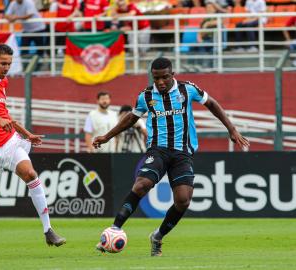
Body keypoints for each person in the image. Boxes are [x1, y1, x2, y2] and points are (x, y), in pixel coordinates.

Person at [93, 57, 250, 256]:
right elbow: (131, 118)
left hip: (182, 153)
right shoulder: (146, 96)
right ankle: (114, 229)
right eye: (156, 78)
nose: (160, 82)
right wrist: (107, 136)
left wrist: (232, 129)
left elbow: (211, 103)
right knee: (141, 184)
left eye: (165, 77)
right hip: (157, 150)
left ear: (172, 75)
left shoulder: (187, 89)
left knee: (183, 200)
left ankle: (157, 236)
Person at [0, 44, 66, 247]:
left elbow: (4, 114)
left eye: (9, 64)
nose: (6, 68)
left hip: (8, 141)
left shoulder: (3, 82)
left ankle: (48, 230)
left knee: (31, 174)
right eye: (3, 63)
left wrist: (27, 134)